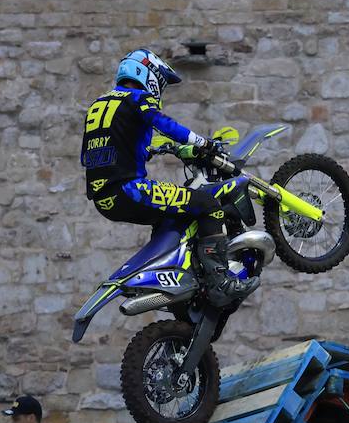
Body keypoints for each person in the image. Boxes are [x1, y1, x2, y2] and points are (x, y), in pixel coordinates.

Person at [80, 48, 256, 307]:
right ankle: (221, 284)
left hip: (104, 199)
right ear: (145, 73)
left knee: (172, 217)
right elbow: (165, 124)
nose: (160, 90)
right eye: (160, 82)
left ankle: (178, 283)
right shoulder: (137, 98)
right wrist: (202, 142)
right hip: (130, 189)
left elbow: (92, 154)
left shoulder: (99, 105)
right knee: (208, 206)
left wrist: (149, 149)